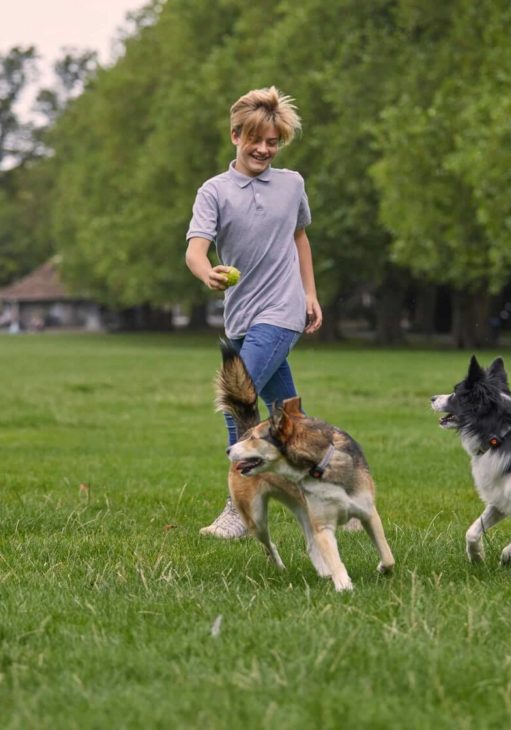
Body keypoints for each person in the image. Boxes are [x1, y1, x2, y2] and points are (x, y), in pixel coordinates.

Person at [185, 86, 323, 538]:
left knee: (238, 401)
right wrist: (208, 274)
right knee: (287, 415)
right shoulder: (214, 191)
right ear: (235, 136)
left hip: (282, 310)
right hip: (240, 316)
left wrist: (310, 294)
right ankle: (323, 489)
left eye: (273, 141)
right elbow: (196, 250)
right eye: (255, 139)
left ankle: (238, 511)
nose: (264, 149)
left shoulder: (292, 184)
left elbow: (300, 238)